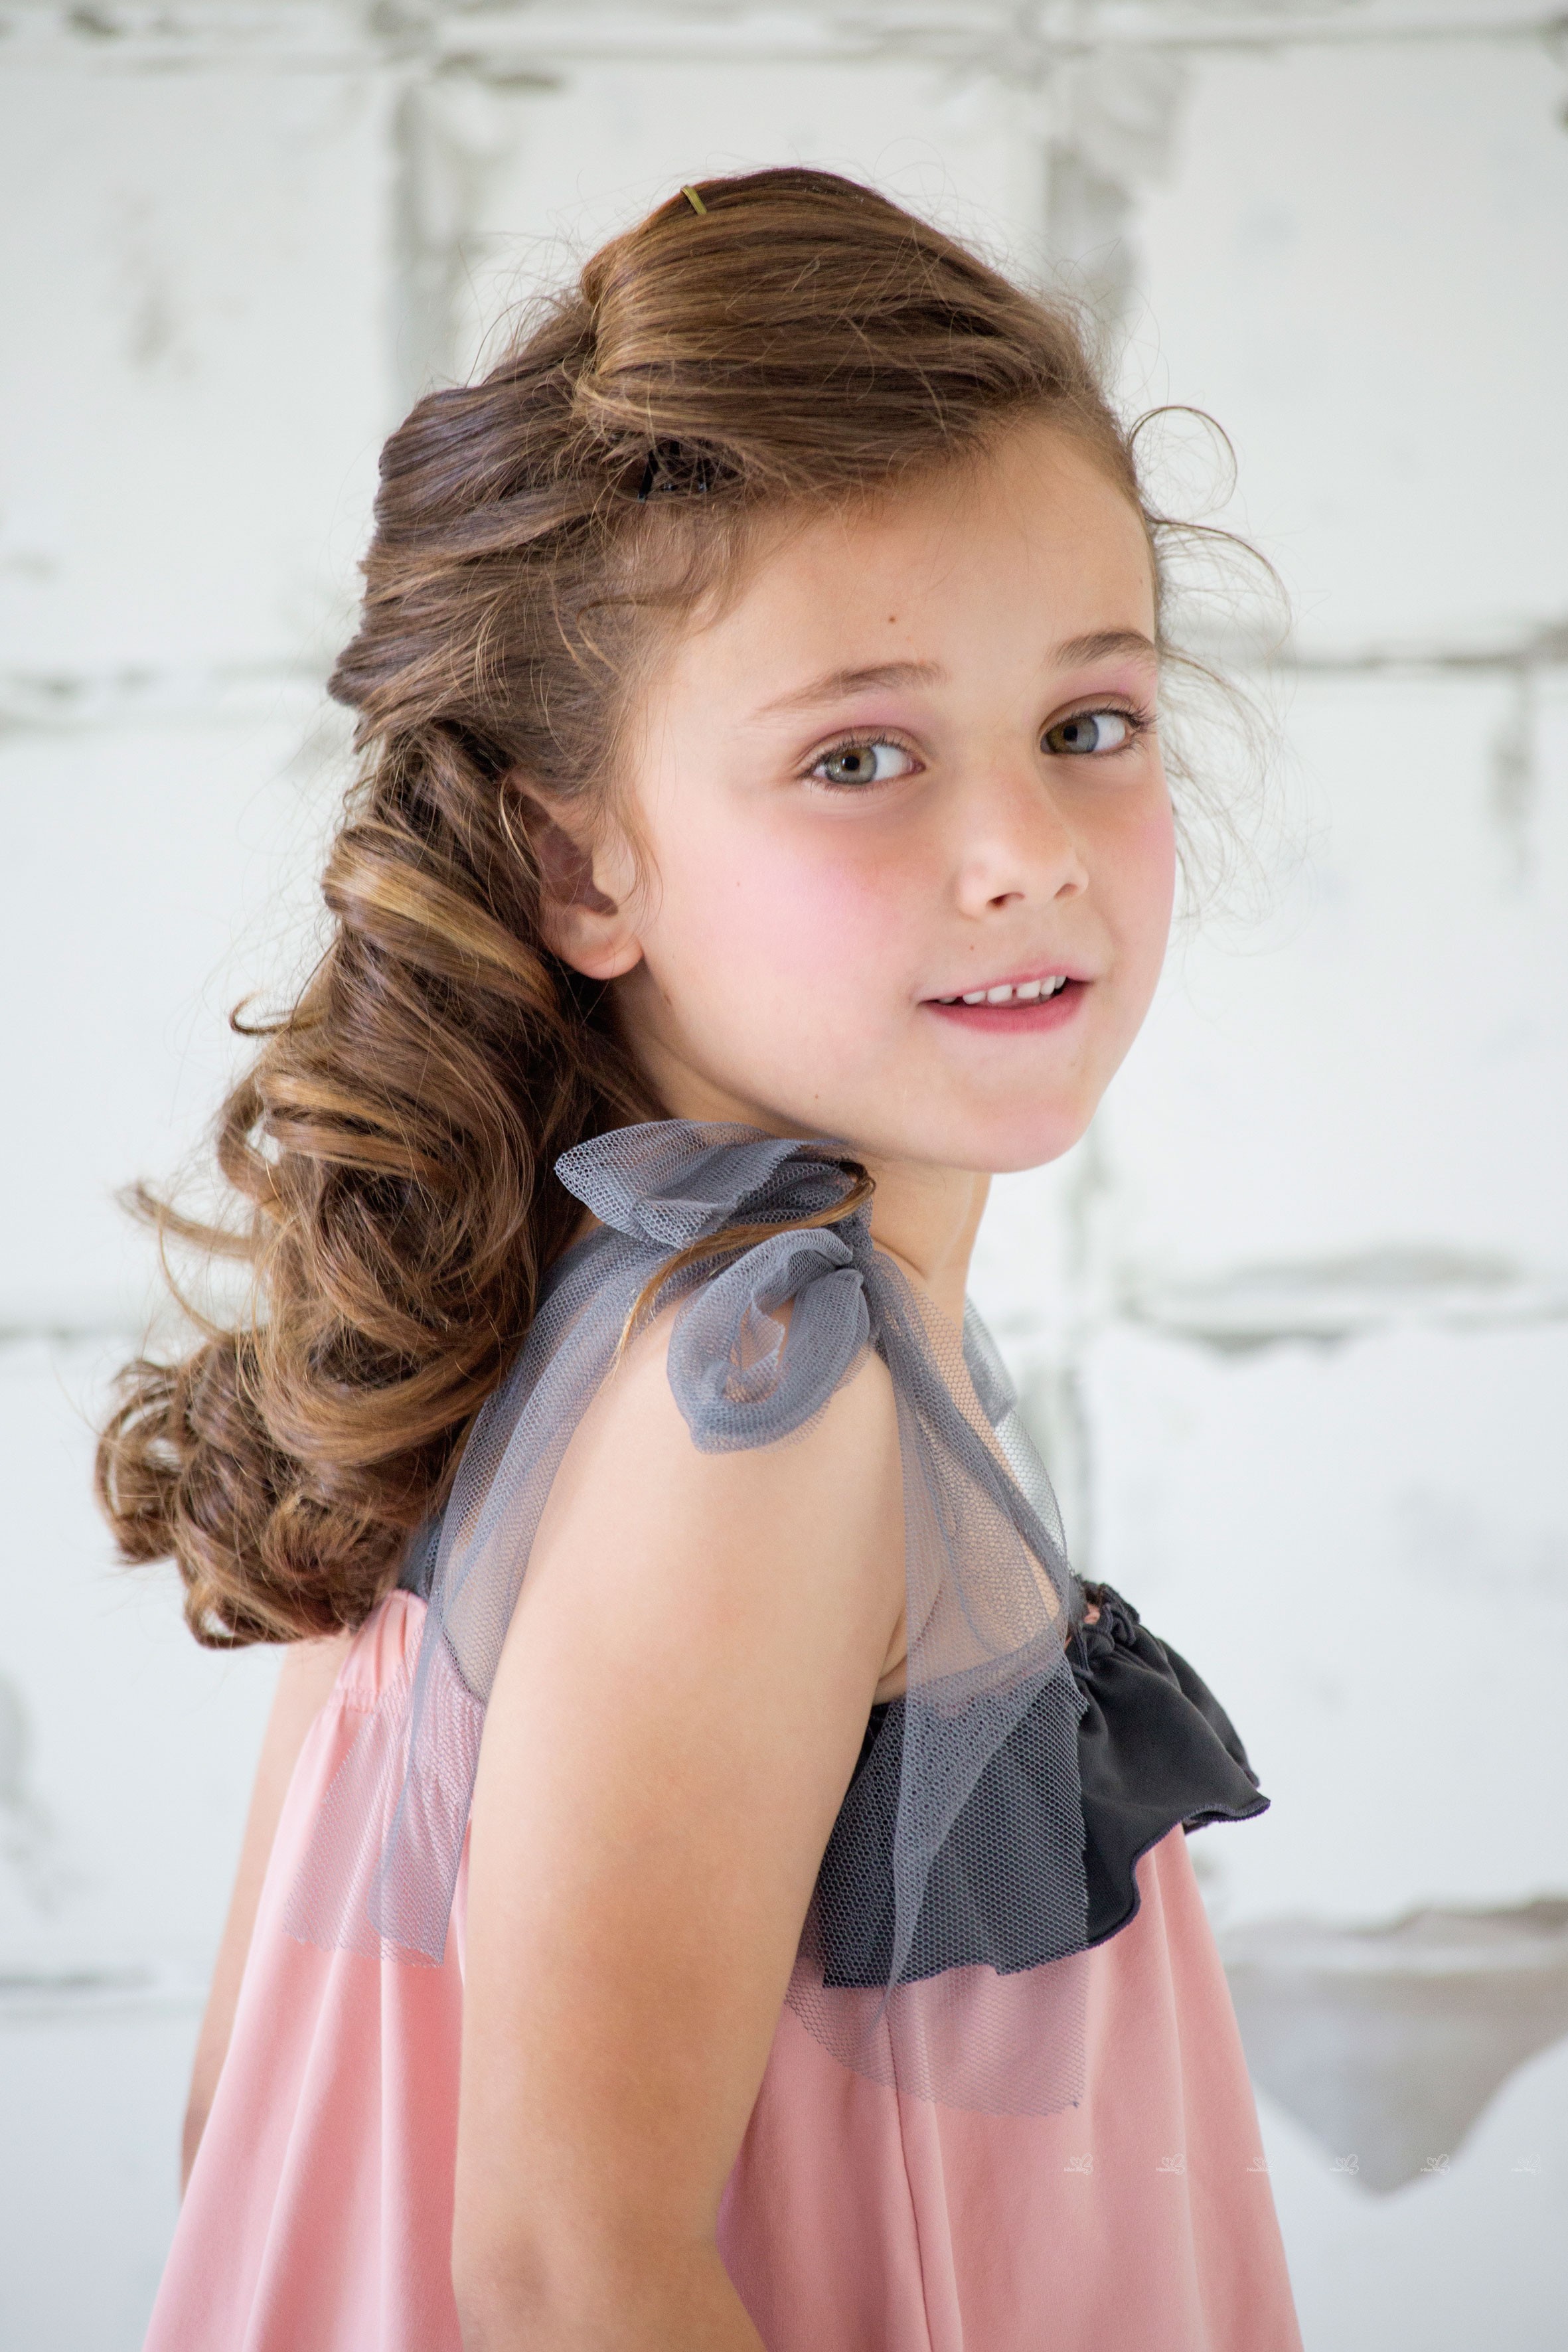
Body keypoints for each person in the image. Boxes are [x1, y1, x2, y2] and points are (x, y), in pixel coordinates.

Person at [98, 167, 1302, 2351]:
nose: (1022, 852)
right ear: (581, 868)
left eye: (1087, 723)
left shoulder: (518, 1306)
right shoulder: (764, 1395)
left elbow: (241, 2133)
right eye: (858, 756)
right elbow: (569, 2272)